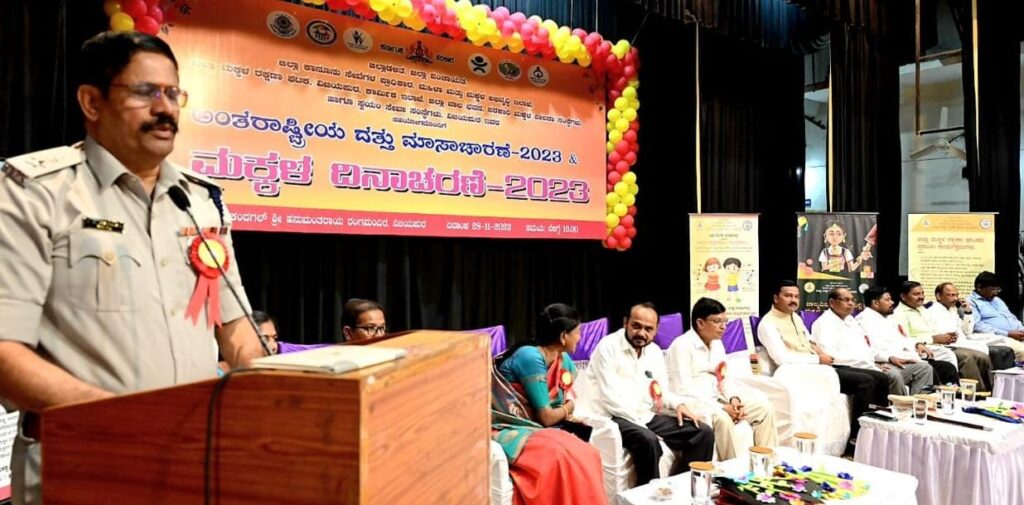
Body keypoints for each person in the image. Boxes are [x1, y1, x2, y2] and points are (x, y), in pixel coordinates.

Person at [0, 31, 265, 505]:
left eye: (173, 94)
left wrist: (278, 391)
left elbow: (236, 327)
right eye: (145, 92)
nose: (165, 109)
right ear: (92, 102)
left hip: (195, 459)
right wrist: (133, 423)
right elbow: (4, 352)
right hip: (84, 461)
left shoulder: (199, 200)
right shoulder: (32, 192)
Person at [588, 302, 714, 486]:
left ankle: (682, 488)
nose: (642, 333)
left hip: (645, 415)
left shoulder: (654, 352)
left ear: (656, 330)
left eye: (648, 329)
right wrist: (643, 425)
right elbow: (609, 398)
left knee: (703, 433)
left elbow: (661, 391)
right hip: (613, 415)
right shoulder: (608, 347)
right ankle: (646, 495)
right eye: (636, 326)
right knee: (648, 440)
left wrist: (678, 405)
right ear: (625, 322)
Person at [492, 303, 607, 504]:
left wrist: (565, 413)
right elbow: (546, 417)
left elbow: (556, 404)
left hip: (538, 426)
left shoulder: (562, 358)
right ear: (563, 336)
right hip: (511, 426)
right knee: (562, 457)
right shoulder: (530, 357)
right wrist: (568, 407)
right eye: (577, 333)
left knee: (588, 453)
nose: (580, 338)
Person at [759, 281, 887, 452]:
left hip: (816, 367)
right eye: (788, 296)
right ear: (776, 298)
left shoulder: (795, 317)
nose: (793, 300)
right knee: (865, 381)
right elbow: (781, 358)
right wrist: (817, 359)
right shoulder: (768, 324)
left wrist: (819, 352)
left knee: (881, 377)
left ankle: (878, 432)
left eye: (796, 296)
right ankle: (857, 439)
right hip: (795, 372)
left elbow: (810, 341)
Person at [666, 297, 777, 460]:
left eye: (725, 321)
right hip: (695, 403)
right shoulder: (681, 346)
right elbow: (681, 390)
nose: (723, 326)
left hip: (717, 398)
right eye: (717, 321)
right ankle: (731, 471)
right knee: (724, 419)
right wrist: (722, 407)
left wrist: (733, 399)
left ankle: (766, 463)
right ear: (700, 323)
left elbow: (725, 377)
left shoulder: (717, 344)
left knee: (764, 409)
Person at [811, 288, 933, 395]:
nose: (851, 303)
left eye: (852, 300)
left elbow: (867, 347)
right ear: (832, 303)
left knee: (923, 368)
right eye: (846, 300)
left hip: (871, 363)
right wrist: (869, 363)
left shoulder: (851, 320)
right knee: (892, 376)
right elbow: (831, 357)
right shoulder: (824, 323)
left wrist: (876, 361)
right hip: (847, 368)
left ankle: (921, 405)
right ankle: (901, 408)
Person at [893, 281, 995, 391]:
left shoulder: (923, 310)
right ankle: (960, 392)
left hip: (940, 345)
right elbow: (904, 338)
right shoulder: (900, 313)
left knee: (982, 354)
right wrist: (933, 339)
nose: (921, 297)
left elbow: (964, 331)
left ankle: (986, 391)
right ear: (903, 296)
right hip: (920, 349)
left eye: (922, 293)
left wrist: (967, 313)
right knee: (958, 358)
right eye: (916, 294)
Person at [856, 286, 959, 385]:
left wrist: (917, 344)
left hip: (906, 356)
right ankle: (926, 397)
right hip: (889, 361)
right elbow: (870, 349)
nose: (892, 302)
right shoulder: (865, 320)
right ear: (875, 303)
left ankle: (954, 395)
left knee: (946, 367)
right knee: (928, 369)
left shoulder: (888, 317)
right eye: (887, 300)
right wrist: (889, 357)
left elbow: (903, 337)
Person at [927, 282, 1017, 369]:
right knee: (985, 355)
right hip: (951, 345)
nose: (955, 298)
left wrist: (968, 312)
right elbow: (948, 336)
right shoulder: (933, 311)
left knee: (1005, 349)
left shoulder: (953, 310)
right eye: (951, 295)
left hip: (964, 341)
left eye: (957, 295)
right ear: (939, 296)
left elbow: (967, 331)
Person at [969, 272, 1024, 361]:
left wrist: (1021, 329)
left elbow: (1011, 317)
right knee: (1022, 350)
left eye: (998, 289)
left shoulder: (997, 300)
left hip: (1016, 335)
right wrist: (1007, 333)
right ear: (979, 287)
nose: (996, 293)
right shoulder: (971, 302)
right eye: (993, 289)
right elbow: (977, 326)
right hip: (996, 338)